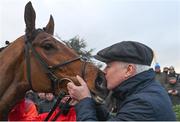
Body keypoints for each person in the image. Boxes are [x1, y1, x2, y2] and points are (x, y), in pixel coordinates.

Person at [67, 41, 176, 121]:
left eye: (108, 66)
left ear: (129, 70)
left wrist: (84, 101)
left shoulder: (143, 102)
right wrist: (92, 102)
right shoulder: (145, 91)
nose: (104, 71)